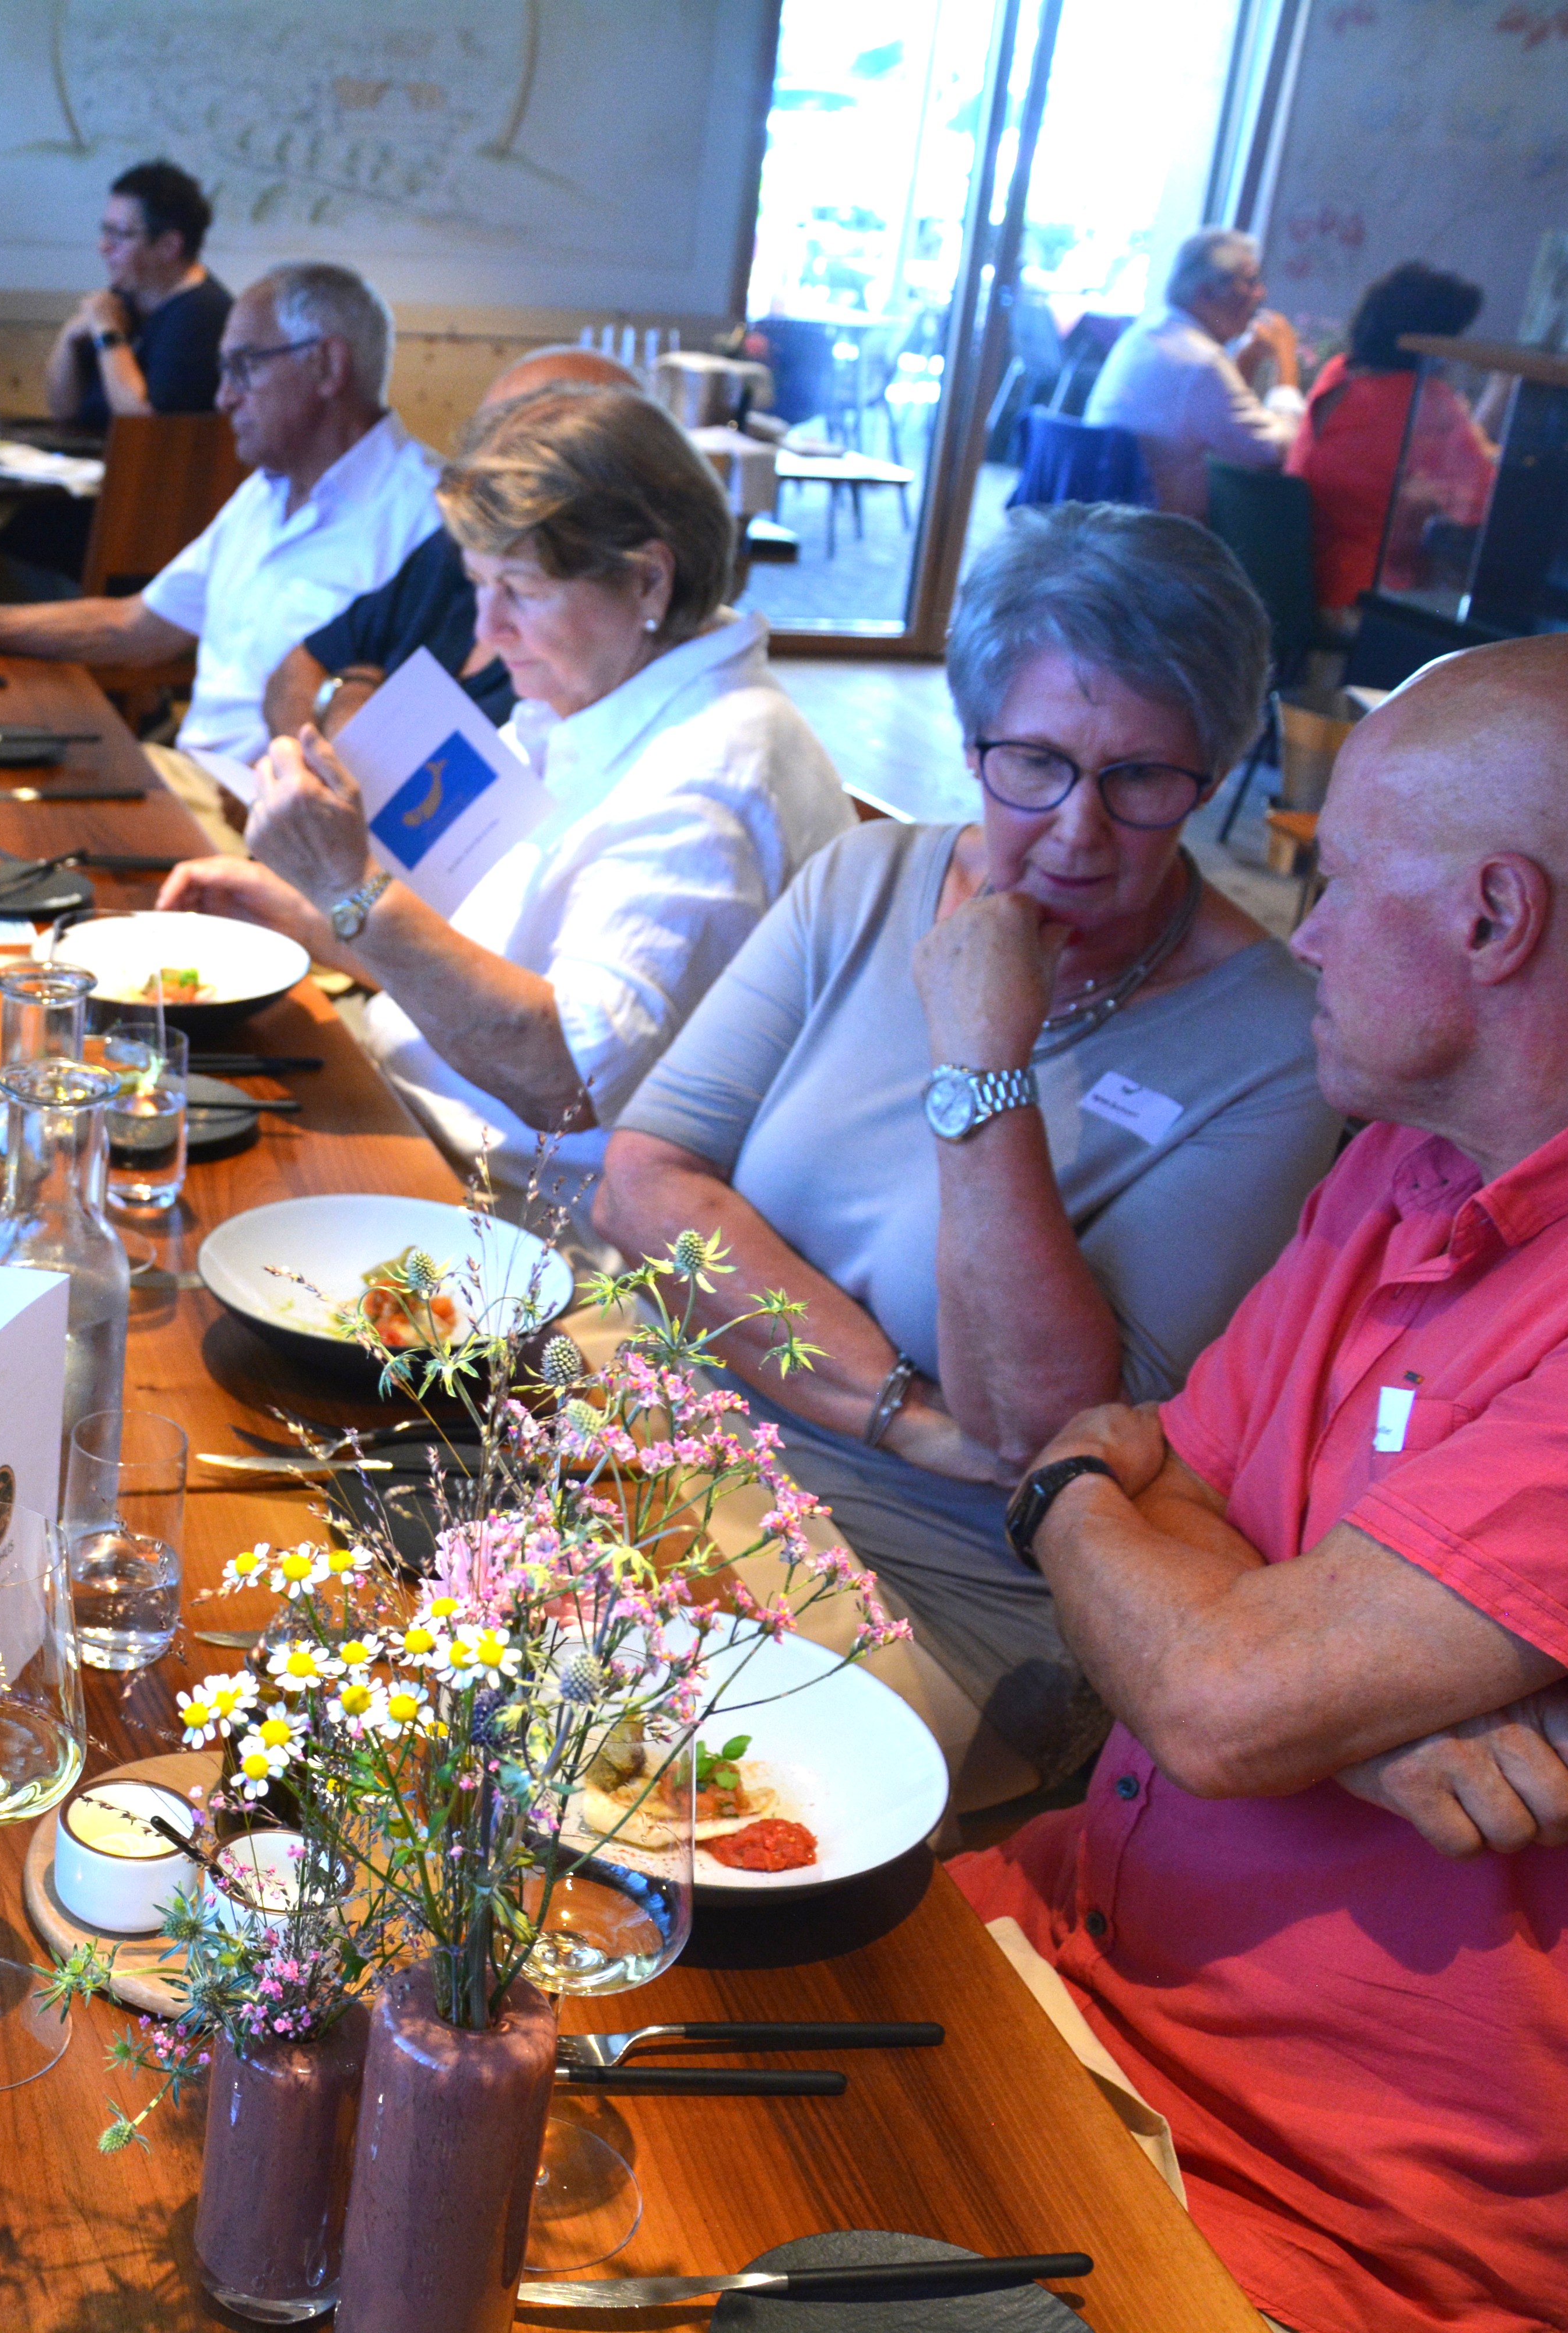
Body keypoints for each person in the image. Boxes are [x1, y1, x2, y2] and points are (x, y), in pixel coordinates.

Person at [965, 634, 1568, 2333]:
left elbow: (1218, 1691)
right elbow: (1183, 1510)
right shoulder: (1403, 1149)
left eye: (1336, 878)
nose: (1297, 933)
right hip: (1074, 1960)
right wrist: (1334, 1707)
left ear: (1492, 917)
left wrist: (1069, 1482)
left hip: (1335, 2218)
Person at [598, 505, 1343, 1807]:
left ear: (1214, 773)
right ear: (972, 739)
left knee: (594, 1769)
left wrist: (984, 1066)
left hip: (926, 1582)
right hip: (657, 1426)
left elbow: (1039, 1428)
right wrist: (902, 1411)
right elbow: (645, 1178)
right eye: (1036, 763)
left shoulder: (1276, 1047)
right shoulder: (866, 880)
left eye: (1141, 779)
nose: (1077, 831)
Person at [163, 388, 851, 1197]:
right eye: (478, 585)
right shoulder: (593, 689)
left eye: (521, 591)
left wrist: (349, 890)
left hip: (509, 1207)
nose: (487, 631)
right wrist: (302, 912)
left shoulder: (712, 781)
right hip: (419, 1118)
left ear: (649, 581)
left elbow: (566, 1084)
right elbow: (462, 953)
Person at [0, 262, 446, 841]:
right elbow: (137, 625)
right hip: (184, 781)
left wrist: (286, 798)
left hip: (277, 827)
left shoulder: (430, 518)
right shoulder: (266, 490)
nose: (223, 397)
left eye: (242, 368)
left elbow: (427, 740)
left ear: (327, 366)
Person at [261, 345, 643, 738]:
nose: (488, 629)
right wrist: (338, 717)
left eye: (520, 451)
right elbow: (301, 665)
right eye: (483, 441)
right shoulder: (453, 550)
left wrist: (356, 703)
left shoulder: (596, 638)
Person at [1287, 260, 1494, 611]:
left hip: (1304, 577)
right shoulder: (1424, 398)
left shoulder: (1337, 373)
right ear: (1428, 341)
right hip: (1368, 592)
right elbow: (1486, 504)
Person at [1080, 226, 1304, 520]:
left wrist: (1246, 361)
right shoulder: (1201, 361)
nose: (1261, 293)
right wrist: (1286, 363)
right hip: (1157, 536)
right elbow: (1276, 453)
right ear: (1206, 292)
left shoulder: (1145, 334)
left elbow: (1215, 421)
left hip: (1107, 524)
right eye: (1250, 282)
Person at [44, 158, 230, 428]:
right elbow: (63, 412)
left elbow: (144, 430)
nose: (103, 247)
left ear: (169, 246)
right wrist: (69, 338)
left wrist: (109, 335)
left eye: (119, 235)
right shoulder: (123, 298)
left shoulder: (203, 315)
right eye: (105, 232)